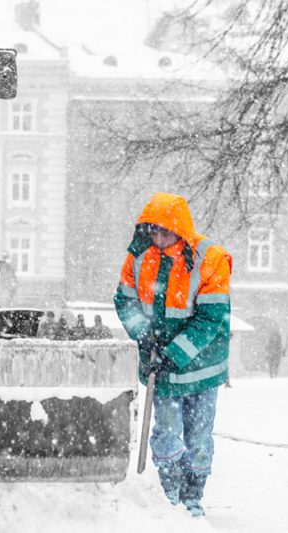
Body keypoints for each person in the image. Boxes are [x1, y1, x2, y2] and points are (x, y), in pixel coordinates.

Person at [114, 192, 232, 517]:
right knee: (166, 431)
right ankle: (170, 494)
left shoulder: (210, 259)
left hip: (202, 366)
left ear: (179, 230)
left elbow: (211, 317)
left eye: (164, 231)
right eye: (153, 231)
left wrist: (175, 353)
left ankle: (193, 495)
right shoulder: (138, 258)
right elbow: (125, 301)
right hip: (159, 368)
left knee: (198, 433)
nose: (158, 238)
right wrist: (143, 334)